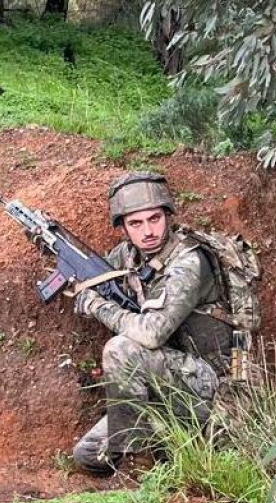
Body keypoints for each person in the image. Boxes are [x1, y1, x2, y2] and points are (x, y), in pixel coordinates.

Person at [70, 172, 241, 475]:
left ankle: (142, 464)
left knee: (120, 349)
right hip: (159, 384)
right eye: (136, 224)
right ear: (122, 227)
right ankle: (161, 446)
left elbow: (151, 335)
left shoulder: (189, 262)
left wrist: (96, 306)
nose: (148, 231)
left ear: (168, 216)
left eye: (155, 219)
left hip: (208, 388)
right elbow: (94, 284)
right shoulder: (127, 257)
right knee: (88, 455)